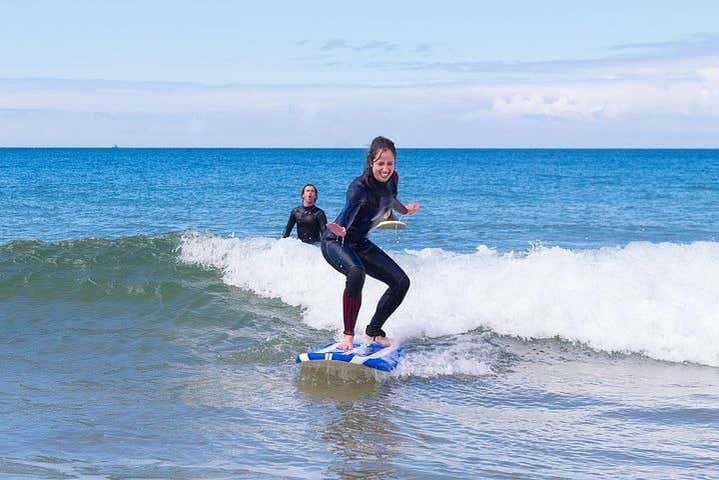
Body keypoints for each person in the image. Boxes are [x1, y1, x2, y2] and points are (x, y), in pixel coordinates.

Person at [321, 136, 420, 351]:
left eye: (390, 163)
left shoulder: (393, 179)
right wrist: (343, 228)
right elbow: (349, 209)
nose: (386, 169)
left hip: (360, 243)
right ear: (371, 163)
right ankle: (347, 336)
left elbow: (389, 197)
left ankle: (374, 332)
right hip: (336, 241)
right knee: (357, 272)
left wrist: (405, 211)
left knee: (401, 282)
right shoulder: (359, 187)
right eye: (380, 164)